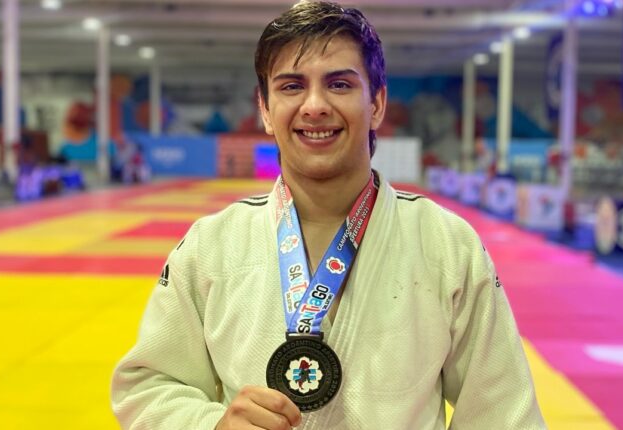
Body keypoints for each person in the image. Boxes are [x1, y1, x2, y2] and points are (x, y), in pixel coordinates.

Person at [111, 2, 546, 429]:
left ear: (376, 104)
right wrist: (214, 426)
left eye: (339, 84)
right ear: (265, 110)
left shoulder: (446, 243)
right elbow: (149, 386)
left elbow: (503, 413)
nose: (315, 105)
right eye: (291, 86)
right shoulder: (212, 245)